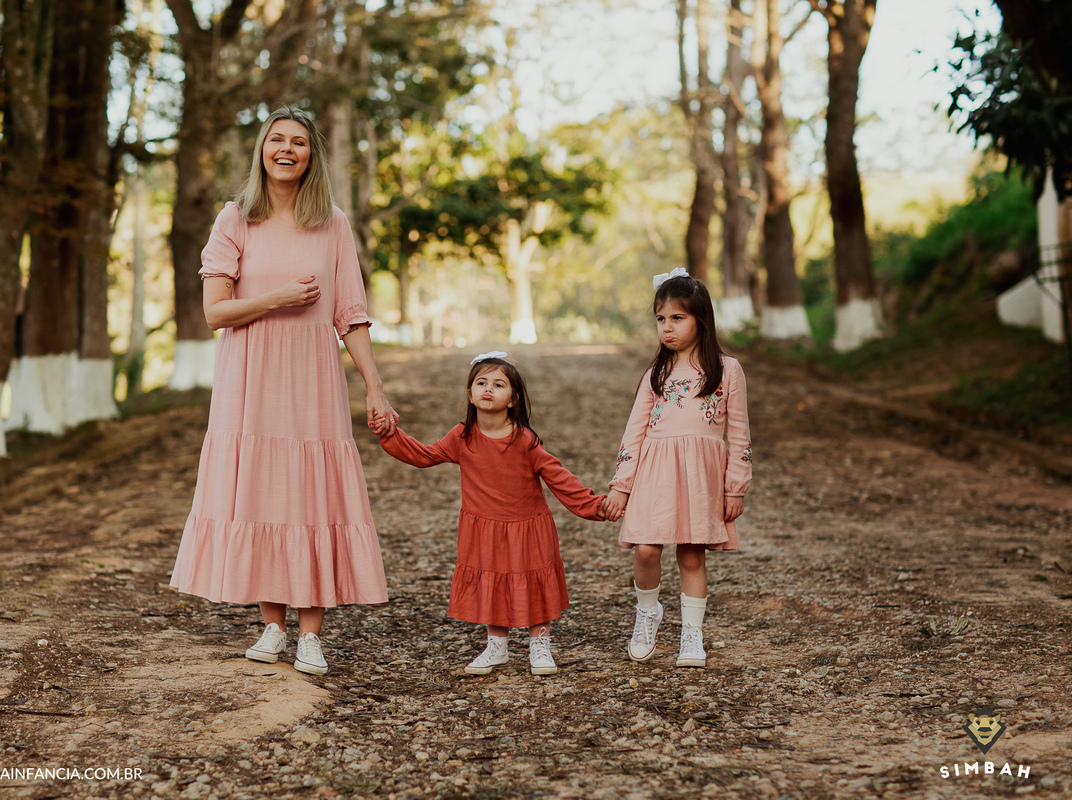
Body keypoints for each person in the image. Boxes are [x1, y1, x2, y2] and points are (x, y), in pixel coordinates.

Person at [169, 105, 397, 677]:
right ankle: (272, 626)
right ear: (262, 150)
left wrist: (375, 388)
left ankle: (311, 635)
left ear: (311, 155)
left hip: (312, 378)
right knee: (264, 493)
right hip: (250, 377)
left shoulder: (333, 223)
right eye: (278, 140)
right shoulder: (235, 218)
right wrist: (278, 299)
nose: (287, 149)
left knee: (311, 493)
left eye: (299, 142)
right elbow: (215, 313)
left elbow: (351, 313)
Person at [379, 353, 620, 676]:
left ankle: (540, 643)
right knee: (492, 581)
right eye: (481, 383)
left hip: (528, 527)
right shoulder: (462, 436)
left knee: (533, 580)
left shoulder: (525, 440)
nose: (488, 389)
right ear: (470, 395)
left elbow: (559, 478)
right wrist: (389, 433)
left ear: (513, 399)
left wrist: (596, 505)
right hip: (484, 528)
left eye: (498, 384)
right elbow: (423, 455)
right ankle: (497, 646)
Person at [602, 268, 751, 667]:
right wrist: (622, 484)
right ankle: (648, 613)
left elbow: (739, 435)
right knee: (647, 549)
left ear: (701, 319)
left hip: (699, 478)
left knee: (690, 555)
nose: (667, 328)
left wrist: (735, 486)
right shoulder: (656, 374)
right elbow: (633, 433)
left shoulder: (727, 370)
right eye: (660, 319)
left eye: (677, 318)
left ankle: (691, 635)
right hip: (655, 471)